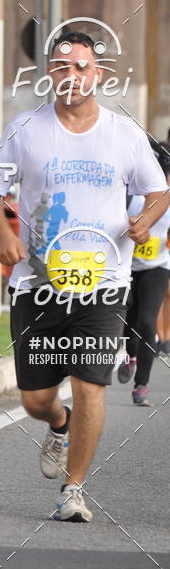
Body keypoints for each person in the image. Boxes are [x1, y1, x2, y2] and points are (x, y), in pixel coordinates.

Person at [0, 31, 169, 523]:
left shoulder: (125, 134)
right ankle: (56, 424)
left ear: (98, 74)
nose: (73, 76)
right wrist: (4, 234)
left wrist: (144, 222)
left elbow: (158, 191)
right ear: (50, 74)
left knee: (90, 385)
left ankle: (73, 489)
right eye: (63, 68)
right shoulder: (26, 129)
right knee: (35, 398)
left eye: (82, 67)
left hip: (102, 285)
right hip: (38, 285)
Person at [118, 139, 170, 404]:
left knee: (147, 322)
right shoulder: (131, 197)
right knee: (128, 322)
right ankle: (131, 356)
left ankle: (141, 385)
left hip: (157, 269)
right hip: (127, 269)